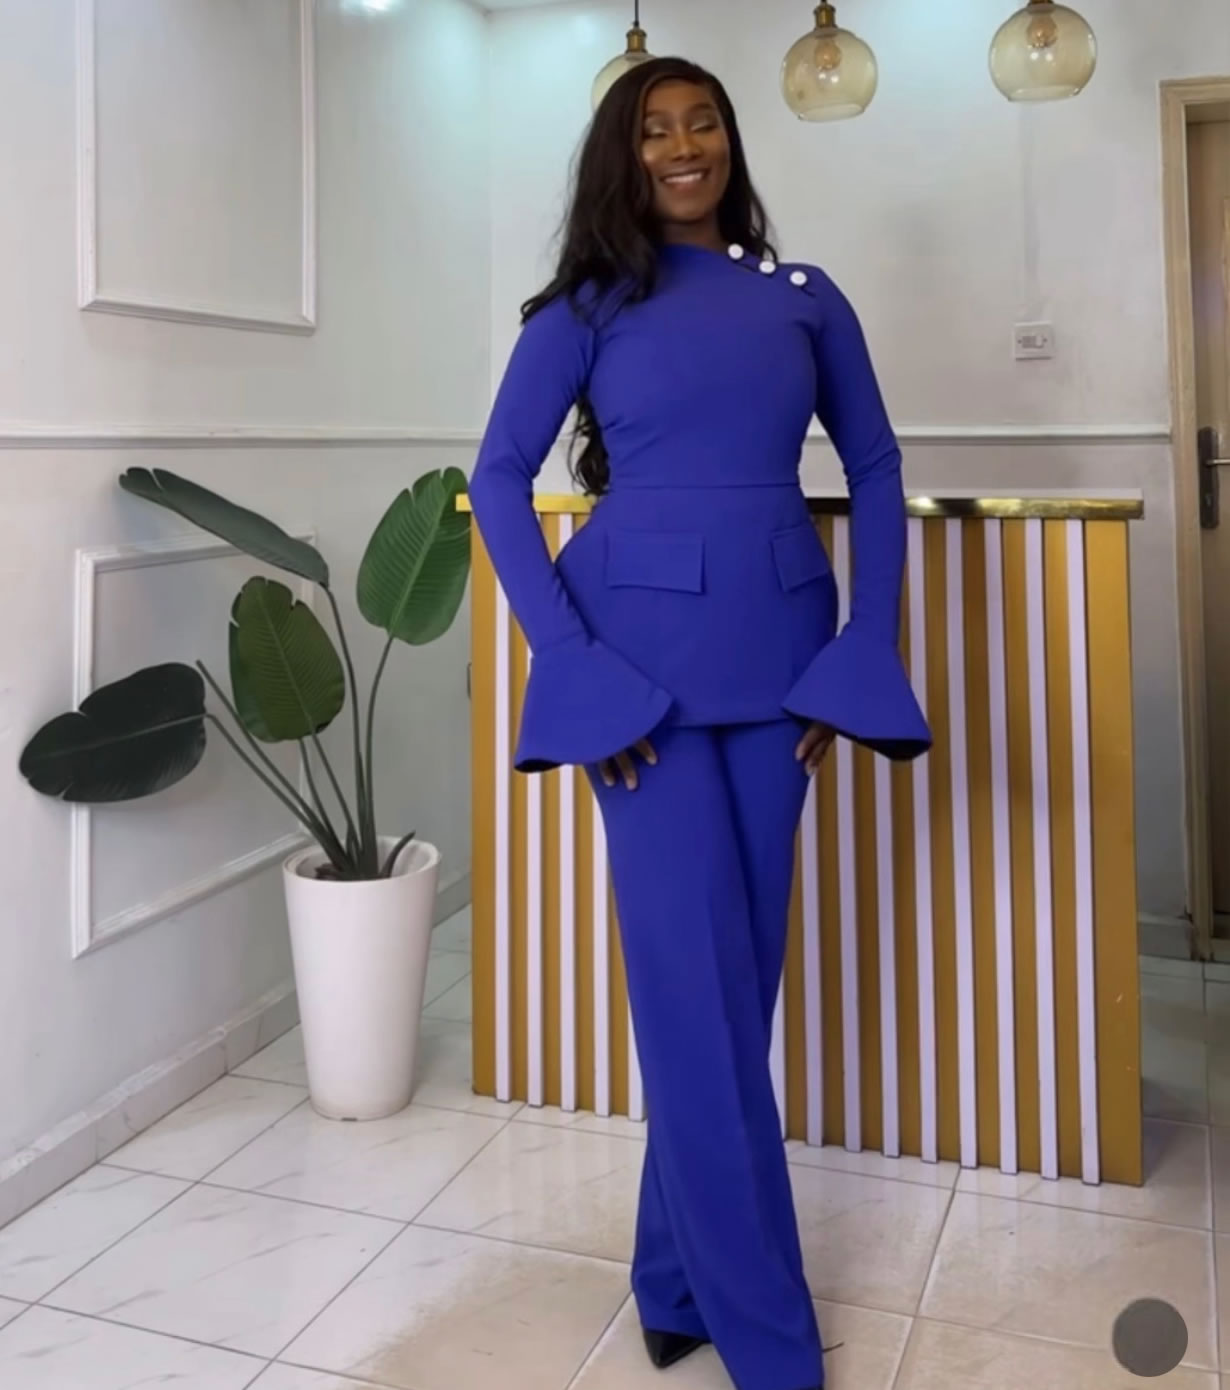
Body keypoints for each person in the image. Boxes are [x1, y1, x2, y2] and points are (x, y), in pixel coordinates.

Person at [468, 55, 931, 1390]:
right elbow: (495, 478)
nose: (683, 146)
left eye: (703, 123)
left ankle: (671, 1283)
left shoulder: (803, 296)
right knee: (694, 998)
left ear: (730, 141)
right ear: (623, 157)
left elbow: (877, 464)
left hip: (781, 673)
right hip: (638, 691)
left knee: (729, 994)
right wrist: (574, 668)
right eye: (655, 130)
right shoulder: (586, 307)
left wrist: (860, 650)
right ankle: (772, 1344)